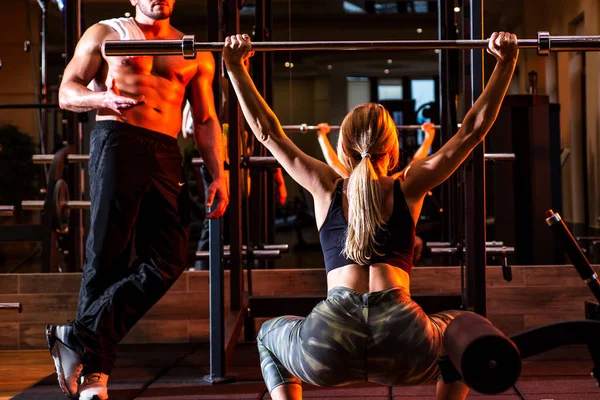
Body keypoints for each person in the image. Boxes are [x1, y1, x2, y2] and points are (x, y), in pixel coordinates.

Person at [222, 31, 518, 400]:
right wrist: (506, 62)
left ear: (343, 147)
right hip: (405, 341)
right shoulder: (409, 186)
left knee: (268, 335)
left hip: (327, 342)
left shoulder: (325, 185)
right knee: (461, 330)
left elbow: (269, 134)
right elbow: (472, 132)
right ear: (393, 148)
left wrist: (235, 67)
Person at [46, 1, 229, 399]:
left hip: (165, 151)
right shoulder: (105, 33)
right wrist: (101, 101)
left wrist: (220, 173)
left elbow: (204, 118)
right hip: (118, 139)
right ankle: (96, 376)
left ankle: (77, 338)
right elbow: (66, 91)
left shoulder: (193, 49)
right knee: (107, 257)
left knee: (172, 255)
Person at [316, 121, 436, 263]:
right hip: (379, 256)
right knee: (416, 242)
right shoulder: (395, 185)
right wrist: (429, 137)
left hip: (362, 256)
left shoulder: (349, 183)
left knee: (416, 242)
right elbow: (416, 162)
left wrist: (321, 136)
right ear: (389, 153)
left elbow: (334, 162)